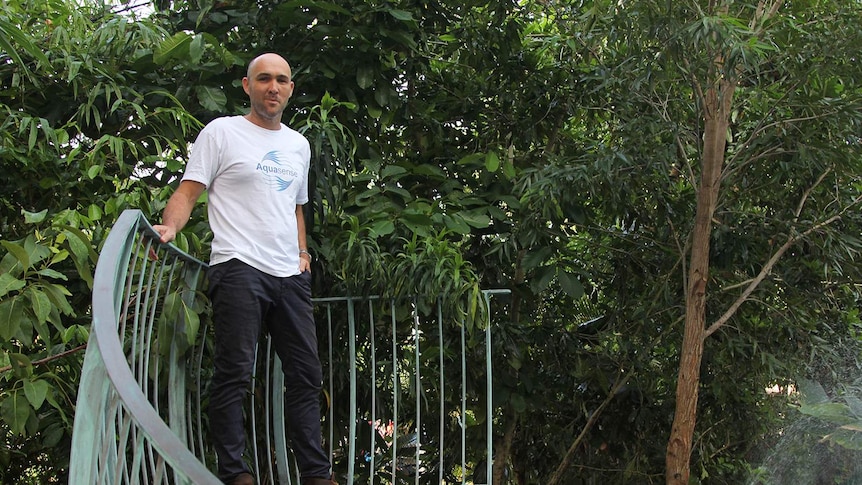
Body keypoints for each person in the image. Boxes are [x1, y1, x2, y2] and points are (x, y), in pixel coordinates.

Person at [153, 53, 336, 485]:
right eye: (264, 79)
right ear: (247, 85)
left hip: (289, 276)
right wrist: (170, 226)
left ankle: (316, 474)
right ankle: (236, 474)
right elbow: (189, 190)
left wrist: (303, 251)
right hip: (238, 267)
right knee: (235, 374)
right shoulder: (222, 133)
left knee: (307, 376)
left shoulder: (298, 145)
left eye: (282, 80)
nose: (273, 87)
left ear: (291, 89)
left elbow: (295, 208)